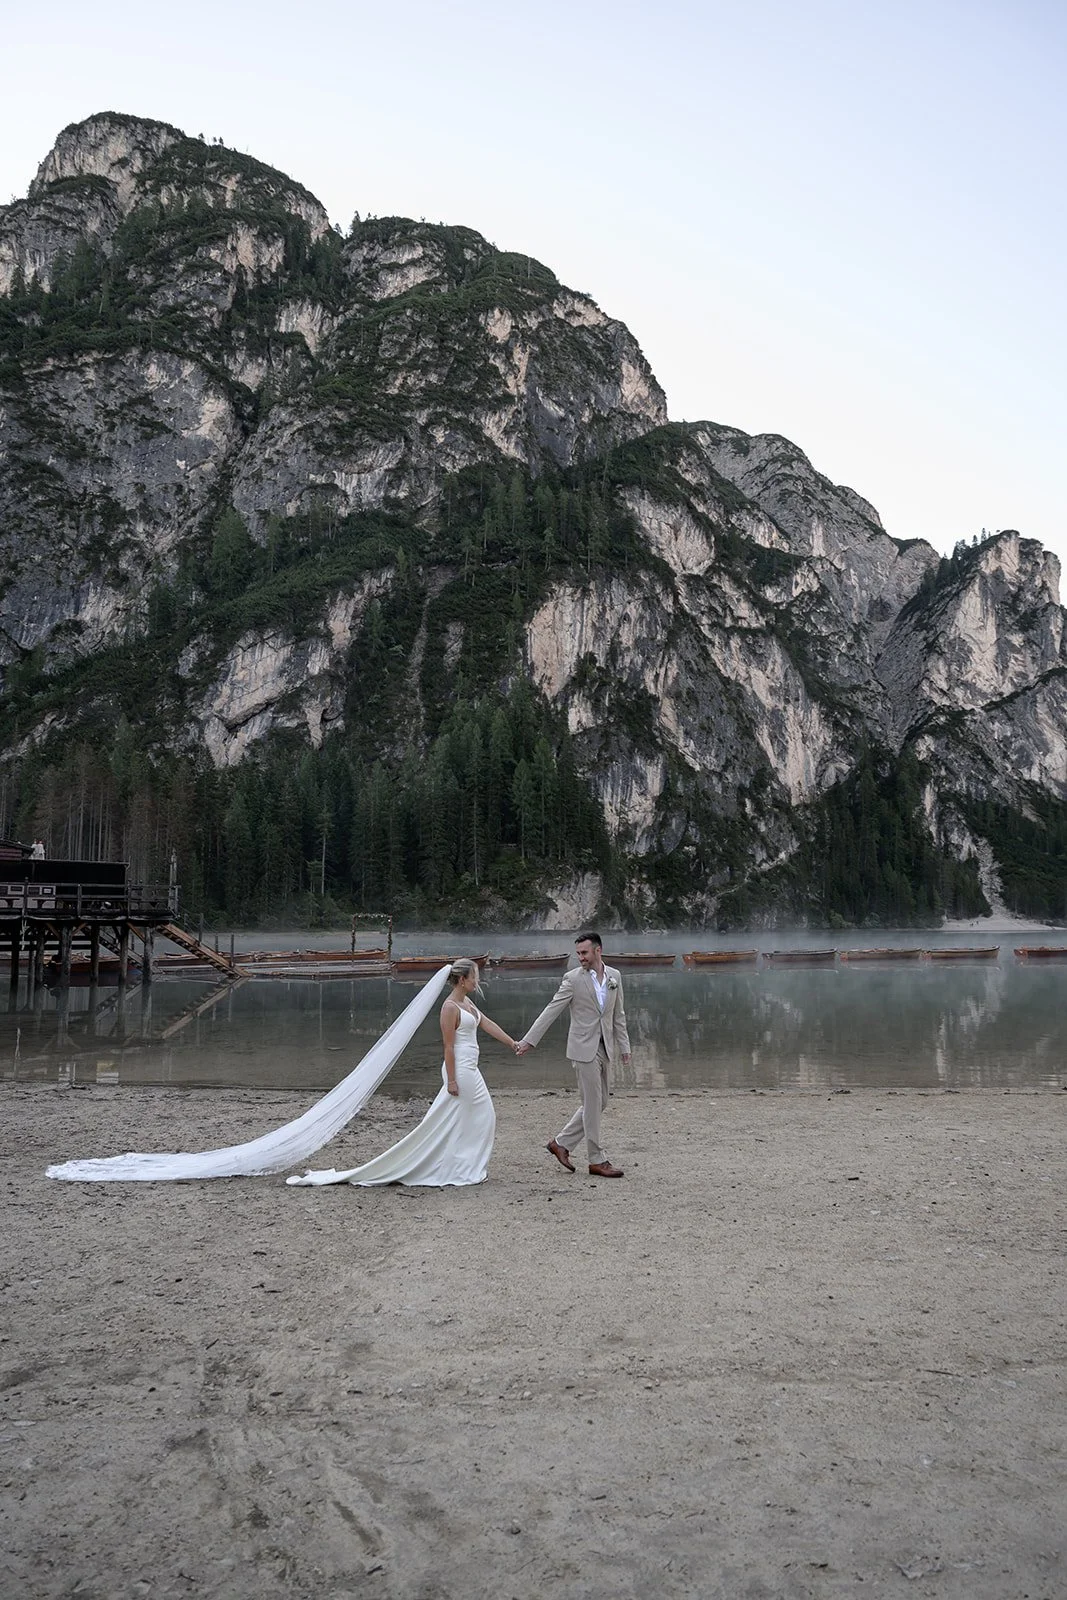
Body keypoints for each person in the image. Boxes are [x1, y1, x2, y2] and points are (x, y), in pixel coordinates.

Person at [287, 958, 521, 1189]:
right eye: (474, 977)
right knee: (479, 1116)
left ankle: (464, 1165)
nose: (477, 981)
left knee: (470, 1118)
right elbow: (448, 1046)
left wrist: (513, 1043)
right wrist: (451, 1080)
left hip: (470, 1067)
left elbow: (487, 1023)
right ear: (462, 979)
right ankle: (462, 1167)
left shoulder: (467, 1003)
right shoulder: (449, 1007)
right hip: (460, 1070)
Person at [516, 931, 630, 1178]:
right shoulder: (572, 979)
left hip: (605, 1046)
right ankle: (597, 1160)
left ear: (598, 950)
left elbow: (618, 1015)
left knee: (601, 1102)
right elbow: (551, 1010)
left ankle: (561, 1143)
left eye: (584, 952)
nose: (581, 957)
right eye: (578, 953)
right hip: (582, 1049)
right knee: (592, 1104)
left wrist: (625, 1047)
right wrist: (529, 1040)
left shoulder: (615, 976)